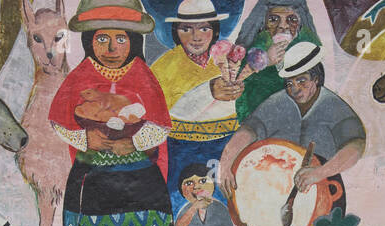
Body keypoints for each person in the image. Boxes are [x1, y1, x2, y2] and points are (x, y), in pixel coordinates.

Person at [50, 0, 176, 226]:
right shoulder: (80, 76)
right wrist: (86, 139)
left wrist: (133, 142)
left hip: (140, 169)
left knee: (143, 217)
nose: (111, 49)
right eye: (102, 39)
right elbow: (59, 120)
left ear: (133, 40)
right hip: (98, 169)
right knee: (109, 219)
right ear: (89, 40)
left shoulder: (143, 75)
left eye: (120, 39)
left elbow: (161, 124)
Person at [219, 41, 364, 212]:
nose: (295, 89)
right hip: (277, 190)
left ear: (316, 79)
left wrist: (320, 172)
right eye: (290, 83)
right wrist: (226, 165)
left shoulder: (333, 106)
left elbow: (356, 146)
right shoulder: (278, 102)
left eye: (302, 81)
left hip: (323, 189)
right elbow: (248, 131)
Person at [150, 0, 242, 212]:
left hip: (224, 150)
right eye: (186, 29)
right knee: (179, 210)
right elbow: (158, 115)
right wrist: (208, 91)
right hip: (179, 151)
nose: (196, 37)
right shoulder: (164, 67)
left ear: (215, 30)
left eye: (204, 28)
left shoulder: (228, 62)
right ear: (176, 31)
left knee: (227, 210)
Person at [232, 0, 320, 122]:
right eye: (273, 19)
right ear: (263, 24)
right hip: (258, 118)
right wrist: (265, 61)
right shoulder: (258, 45)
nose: (283, 26)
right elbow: (238, 81)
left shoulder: (306, 46)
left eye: (292, 20)